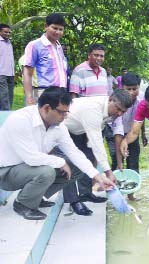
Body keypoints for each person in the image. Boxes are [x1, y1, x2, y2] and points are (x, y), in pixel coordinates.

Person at [0, 87, 115, 220]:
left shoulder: (58, 126)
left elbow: (74, 152)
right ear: (47, 108)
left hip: (27, 169)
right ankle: (22, 204)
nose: (65, 117)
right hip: (6, 173)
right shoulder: (20, 120)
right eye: (62, 112)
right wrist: (60, 162)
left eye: (66, 113)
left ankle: (35, 196)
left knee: (76, 169)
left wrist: (97, 176)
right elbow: (31, 158)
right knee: (47, 171)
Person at [62, 89, 133, 215]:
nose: (119, 113)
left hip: (81, 130)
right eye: (118, 109)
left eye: (123, 111)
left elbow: (100, 139)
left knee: (88, 157)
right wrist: (108, 172)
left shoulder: (112, 111)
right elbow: (97, 144)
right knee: (70, 163)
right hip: (65, 128)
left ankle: (86, 193)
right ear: (110, 99)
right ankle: (73, 201)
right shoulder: (93, 109)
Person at [23, 13, 68, 105]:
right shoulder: (35, 45)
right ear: (46, 26)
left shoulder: (59, 47)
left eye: (61, 29)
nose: (58, 32)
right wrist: (29, 97)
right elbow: (27, 73)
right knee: (39, 119)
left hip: (60, 93)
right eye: (54, 28)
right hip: (42, 92)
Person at [0, 24, 15, 110]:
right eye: (6, 32)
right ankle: (5, 118)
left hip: (10, 74)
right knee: (4, 98)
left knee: (10, 97)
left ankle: (4, 115)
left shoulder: (9, 42)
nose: (8, 34)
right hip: (1, 74)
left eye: (9, 32)